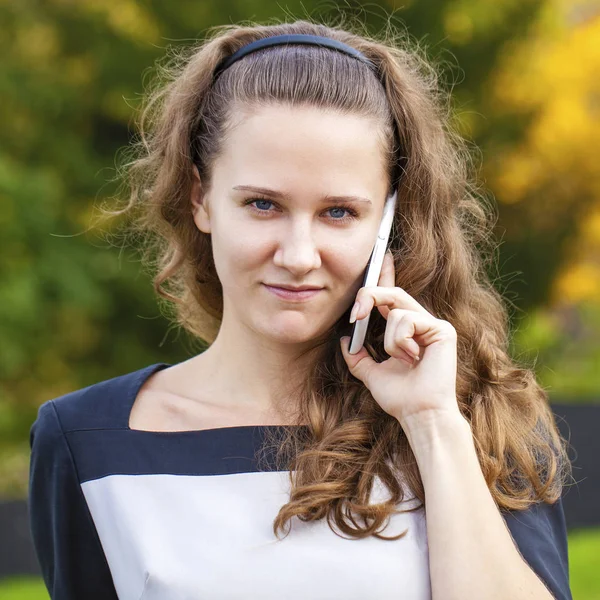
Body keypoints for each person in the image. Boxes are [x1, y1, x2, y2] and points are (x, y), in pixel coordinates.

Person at [28, 18, 573, 600]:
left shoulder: (478, 421)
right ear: (200, 198)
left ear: (386, 223)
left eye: (339, 212)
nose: (297, 255)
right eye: (263, 204)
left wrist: (431, 421)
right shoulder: (88, 440)